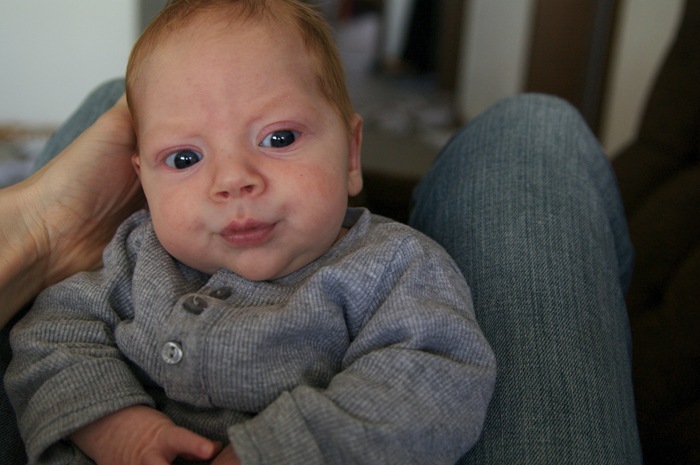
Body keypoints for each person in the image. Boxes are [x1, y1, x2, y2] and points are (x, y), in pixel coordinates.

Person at [1, 6, 643, 465]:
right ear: (140, 180)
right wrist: (118, 426)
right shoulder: (134, 256)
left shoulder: (392, 266)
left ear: (352, 153)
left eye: (278, 137)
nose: (234, 180)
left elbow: (432, 381)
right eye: (185, 158)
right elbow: (51, 334)